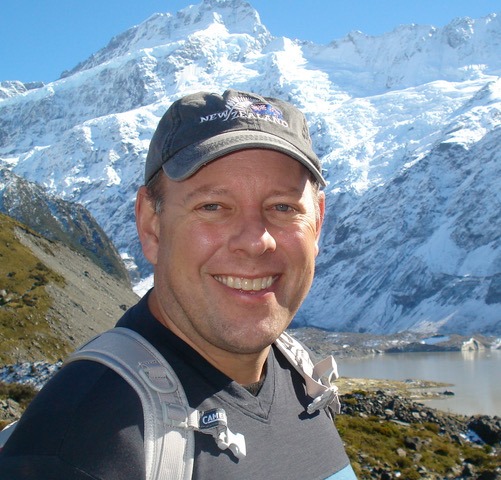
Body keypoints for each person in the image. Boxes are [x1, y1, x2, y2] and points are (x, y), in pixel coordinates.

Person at [0, 89, 356, 479]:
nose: (256, 241)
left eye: (283, 207)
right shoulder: (77, 449)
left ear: (318, 222)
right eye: (213, 207)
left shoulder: (301, 379)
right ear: (151, 224)